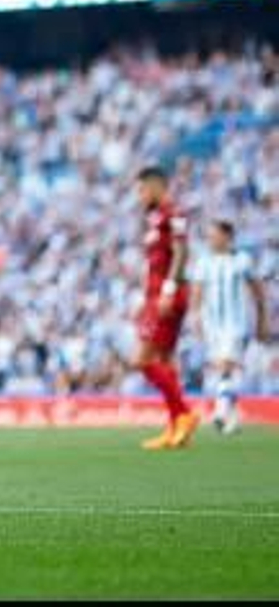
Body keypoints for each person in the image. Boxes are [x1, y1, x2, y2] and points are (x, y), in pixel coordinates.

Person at [133, 166, 196, 451]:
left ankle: (184, 413)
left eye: (142, 189)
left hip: (167, 294)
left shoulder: (174, 213)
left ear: (157, 186)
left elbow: (182, 251)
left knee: (143, 360)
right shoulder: (153, 218)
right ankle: (175, 426)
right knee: (165, 361)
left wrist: (169, 289)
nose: (139, 196)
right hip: (155, 294)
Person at [190, 220, 268, 434]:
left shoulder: (242, 260)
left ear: (227, 236)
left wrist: (262, 320)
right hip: (212, 324)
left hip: (236, 323)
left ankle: (220, 411)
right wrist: (195, 318)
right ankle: (232, 420)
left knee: (226, 365)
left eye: (214, 235)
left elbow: (258, 292)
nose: (210, 239)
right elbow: (196, 293)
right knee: (222, 369)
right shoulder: (204, 262)